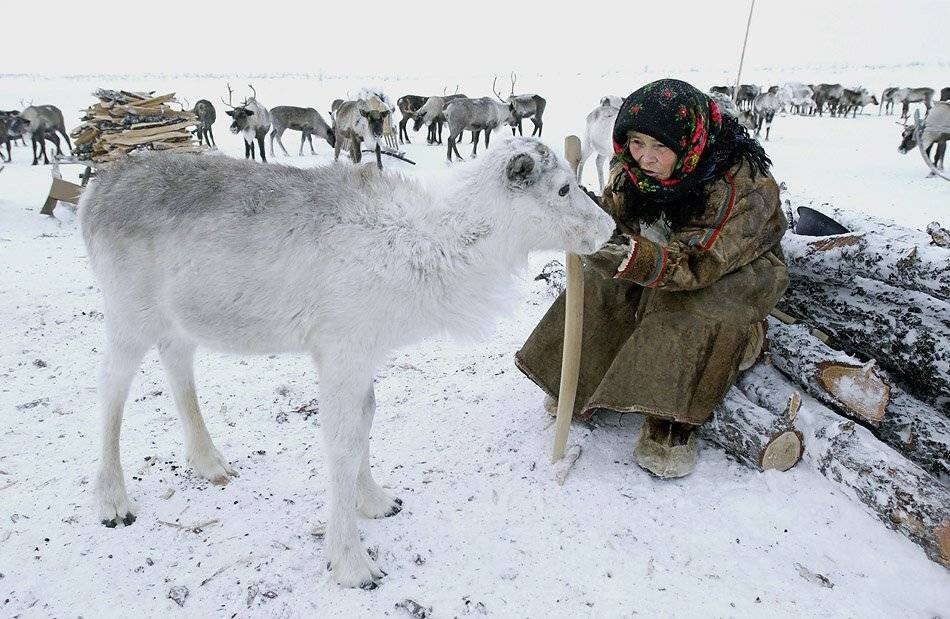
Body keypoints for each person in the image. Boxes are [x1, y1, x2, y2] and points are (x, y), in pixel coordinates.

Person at [515, 79, 789, 478]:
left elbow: (699, 263)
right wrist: (576, 212)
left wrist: (626, 253)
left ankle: (672, 422)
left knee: (688, 304)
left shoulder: (742, 185)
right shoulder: (633, 169)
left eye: (661, 147)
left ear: (690, 142)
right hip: (667, 251)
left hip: (732, 269)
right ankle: (576, 380)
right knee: (602, 280)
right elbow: (615, 221)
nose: (645, 157)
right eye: (638, 142)